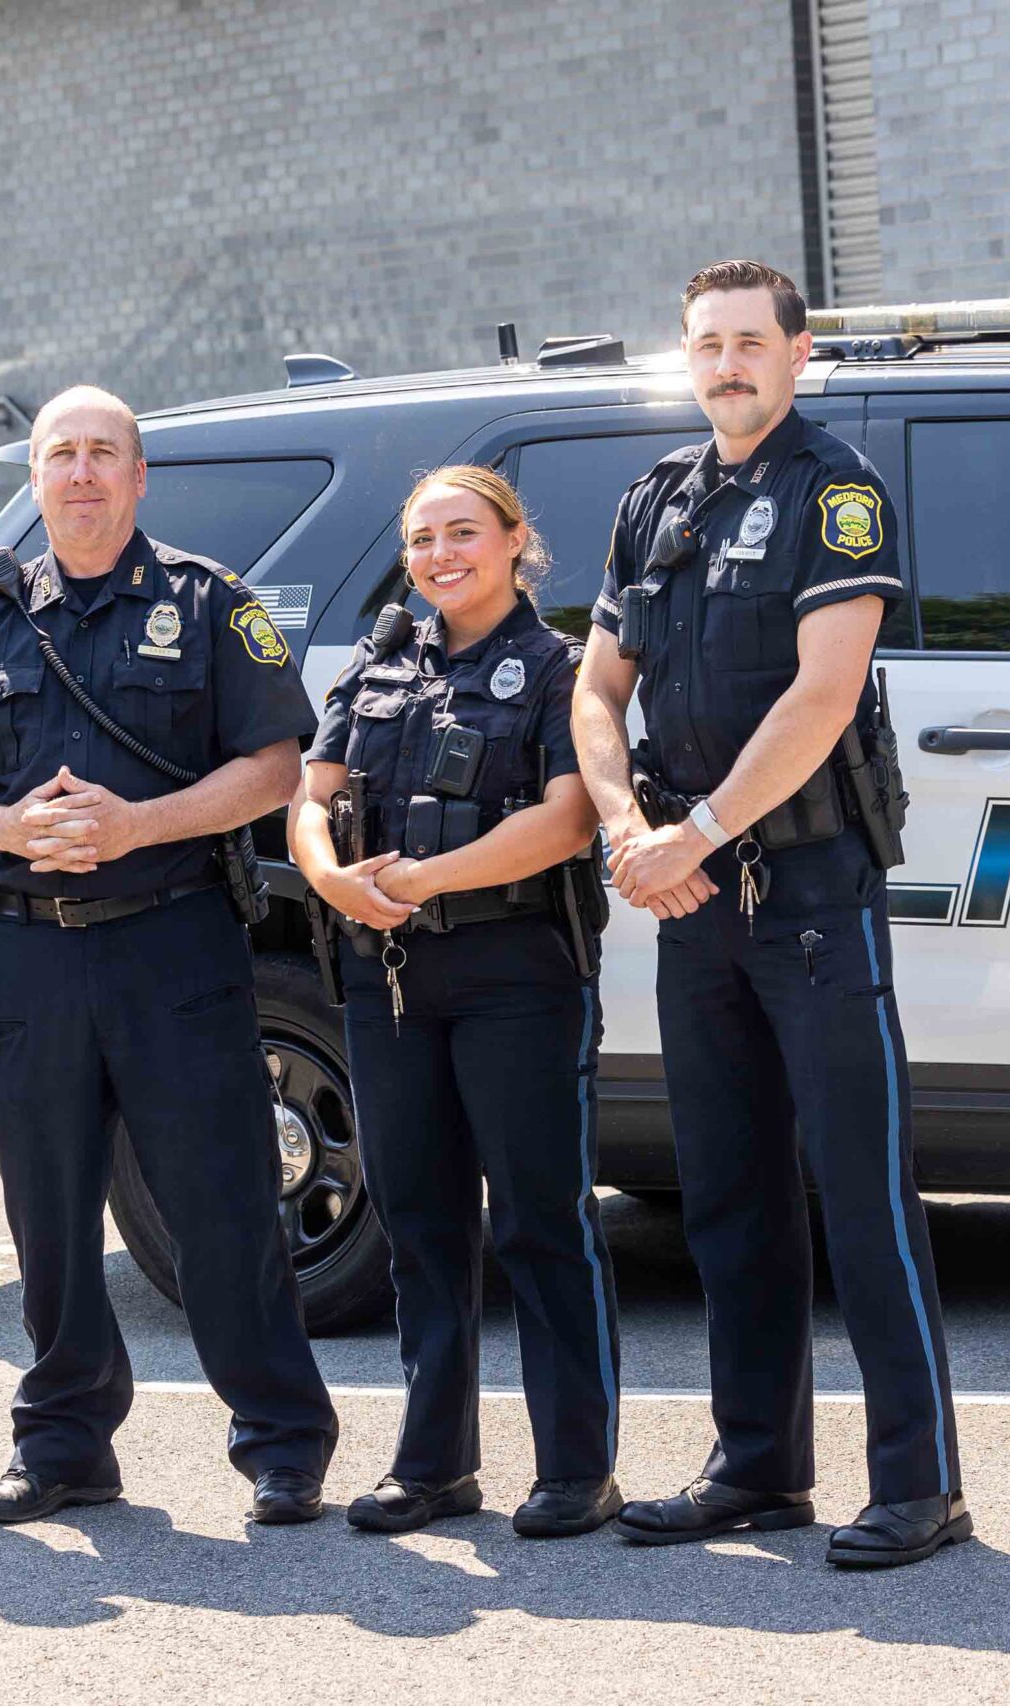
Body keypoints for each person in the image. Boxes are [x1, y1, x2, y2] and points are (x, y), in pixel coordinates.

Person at [571, 261, 969, 1568]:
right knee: (729, 1199)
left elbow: (821, 691)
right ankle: (757, 1466)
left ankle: (919, 1482)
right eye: (707, 345)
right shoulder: (656, 505)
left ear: (797, 355)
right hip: (694, 896)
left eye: (751, 341)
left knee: (859, 1194)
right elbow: (595, 689)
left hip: (807, 891)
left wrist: (698, 830)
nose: (728, 363)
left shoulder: (833, 494)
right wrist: (631, 829)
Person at [0, 384, 339, 1526]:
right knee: (47, 1213)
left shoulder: (205, 603)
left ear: (140, 478)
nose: (83, 474)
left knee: (224, 1202)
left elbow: (275, 766)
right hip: (34, 957)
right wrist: (2, 827)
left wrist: (137, 823)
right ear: (34, 481)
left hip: (172, 942)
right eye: (62, 456)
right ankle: (63, 1445)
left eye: (105, 454)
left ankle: (282, 1442)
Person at [291, 467, 621, 1538]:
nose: (441, 554)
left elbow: (570, 819)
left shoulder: (557, 667)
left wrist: (427, 878)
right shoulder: (379, 660)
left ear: (516, 539)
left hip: (516, 974)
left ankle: (577, 1464)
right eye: (423, 537)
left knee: (537, 1222)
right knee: (423, 1224)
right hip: (386, 978)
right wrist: (332, 877)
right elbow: (313, 794)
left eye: (464, 533)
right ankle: (433, 1463)